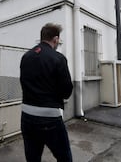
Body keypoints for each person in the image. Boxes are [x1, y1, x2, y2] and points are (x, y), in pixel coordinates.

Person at [20, 23, 73, 162]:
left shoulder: (26, 57)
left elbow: (23, 82)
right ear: (55, 39)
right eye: (58, 41)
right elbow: (67, 91)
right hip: (50, 119)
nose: (57, 44)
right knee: (64, 158)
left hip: (27, 116)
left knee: (33, 158)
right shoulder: (58, 58)